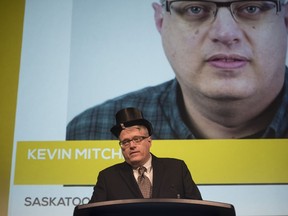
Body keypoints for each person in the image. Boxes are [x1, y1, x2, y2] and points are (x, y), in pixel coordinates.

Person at [67, 0, 288, 140]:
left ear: (286, 20)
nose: (225, 33)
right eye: (195, 9)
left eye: (251, 8)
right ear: (161, 21)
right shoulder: (91, 131)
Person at [88, 107, 202, 202]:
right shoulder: (108, 178)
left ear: (149, 141)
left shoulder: (176, 169)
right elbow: (89, 213)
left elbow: (199, 209)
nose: (132, 145)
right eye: (125, 142)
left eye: (137, 139)